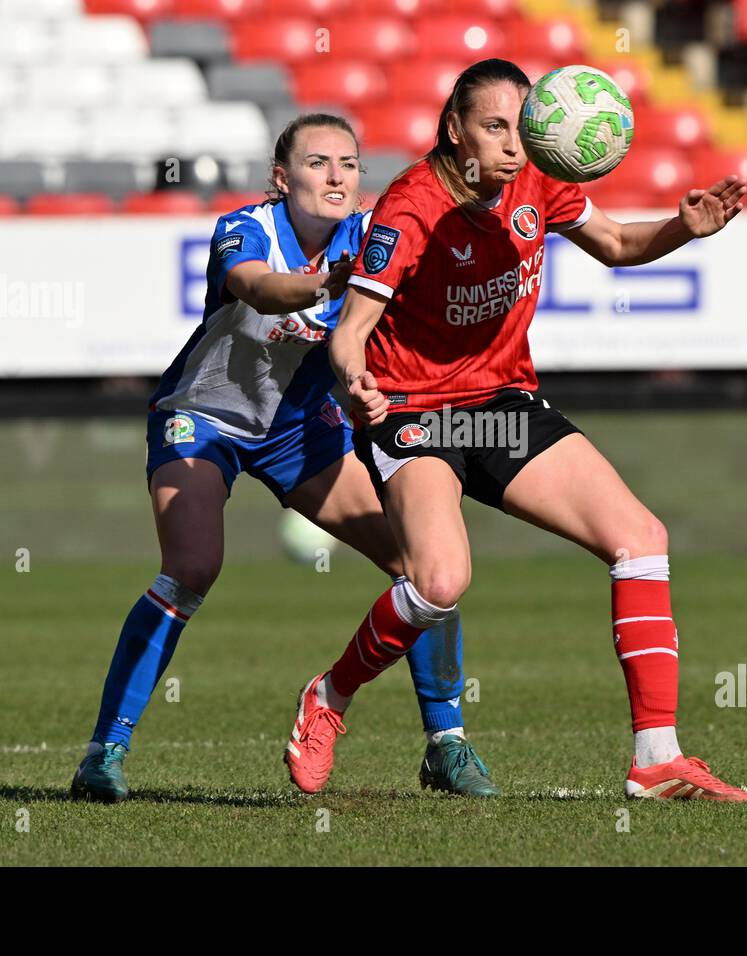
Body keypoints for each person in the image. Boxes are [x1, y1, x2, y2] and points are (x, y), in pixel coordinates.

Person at [284, 60, 747, 801]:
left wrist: (682, 229)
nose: (512, 145)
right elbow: (350, 334)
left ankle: (657, 757)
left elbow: (621, 246)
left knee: (641, 538)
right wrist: (355, 381)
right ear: (454, 129)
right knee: (438, 584)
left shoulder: (538, 177)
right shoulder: (411, 207)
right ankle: (330, 697)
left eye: (521, 127)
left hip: (501, 403)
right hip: (413, 410)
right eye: (494, 127)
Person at [70, 113, 500, 803]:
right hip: (204, 418)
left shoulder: (371, 240)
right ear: (281, 177)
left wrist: (370, 391)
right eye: (318, 162)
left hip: (300, 430)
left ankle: (446, 745)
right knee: (191, 567)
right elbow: (260, 289)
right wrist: (328, 283)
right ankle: (104, 752)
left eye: (349, 164)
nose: (336, 175)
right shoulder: (245, 228)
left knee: (423, 565)